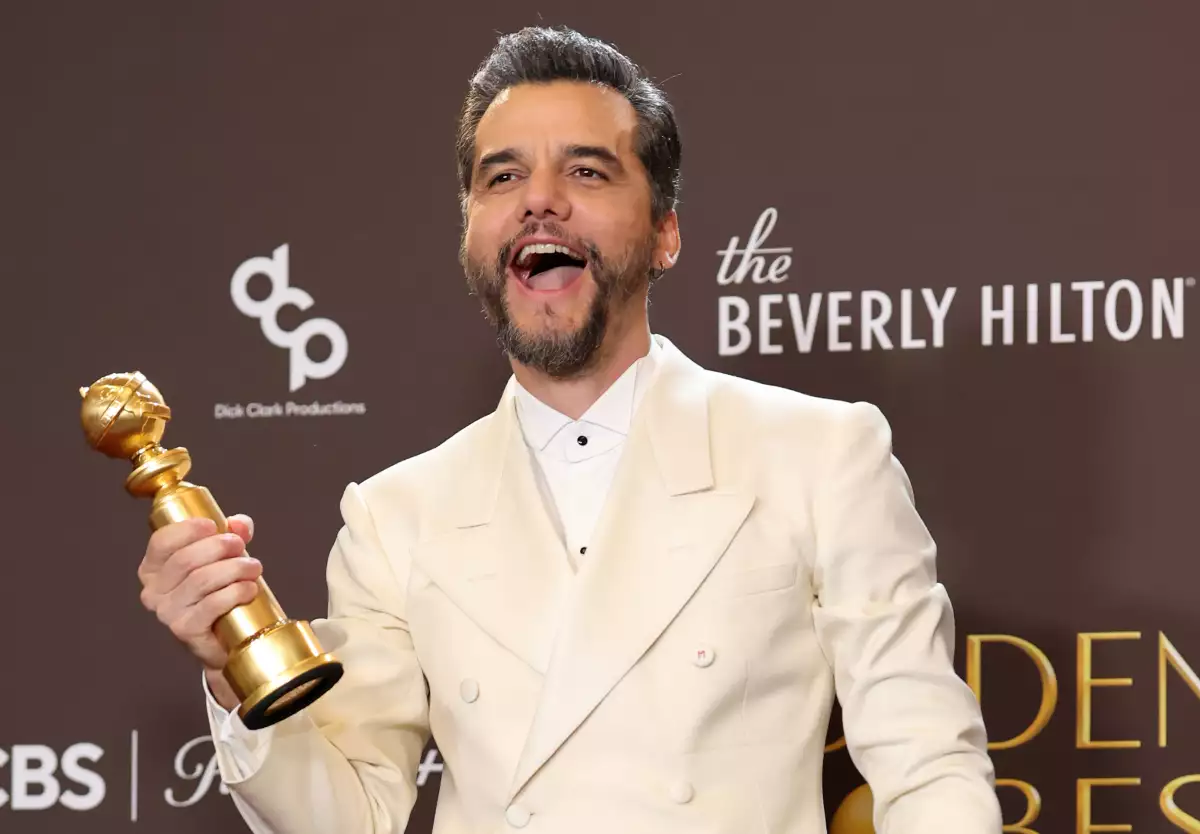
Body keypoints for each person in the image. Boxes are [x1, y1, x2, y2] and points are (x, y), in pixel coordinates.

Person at [136, 25, 1003, 834]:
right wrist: (231, 666)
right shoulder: (395, 514)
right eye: (502, 177)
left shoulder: (818, 453)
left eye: (586, 173)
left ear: (665, 232)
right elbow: (350, 811)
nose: (538, 202)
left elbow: (929, 771)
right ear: (470, 230)